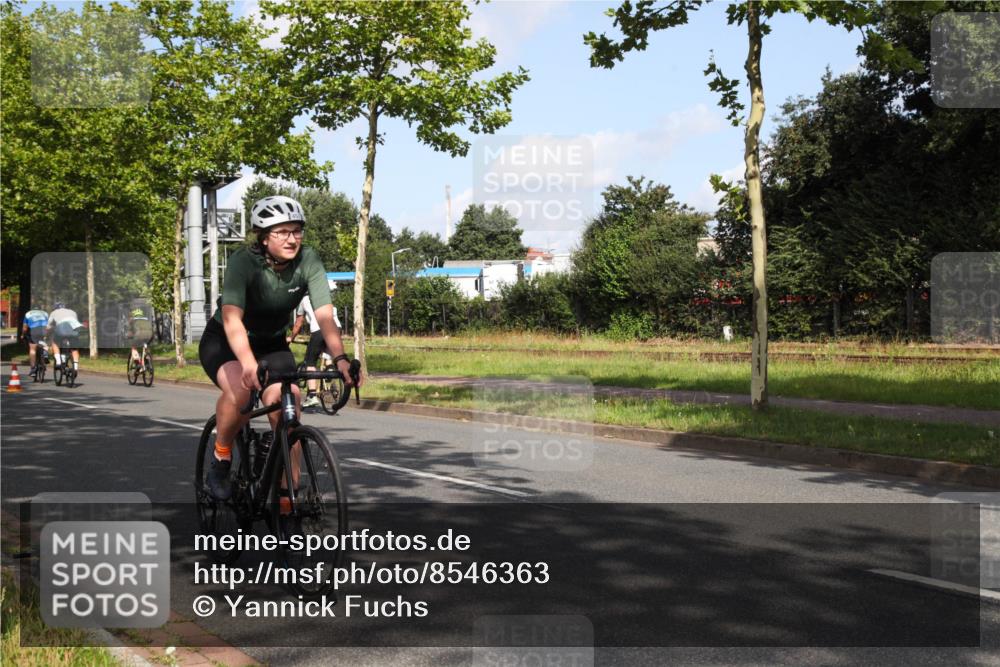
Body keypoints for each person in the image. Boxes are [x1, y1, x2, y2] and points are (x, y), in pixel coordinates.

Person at [198, 195, 357, 503]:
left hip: (271, 342)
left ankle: (287, 502)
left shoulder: (308, 260)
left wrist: (340, 358)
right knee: (241, 393)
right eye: (282, 232)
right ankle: (221, 457)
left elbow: (324, 313)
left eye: (297, 230)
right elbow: (232, 319)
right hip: (227, 340)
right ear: (263, 236)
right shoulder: (243, 262)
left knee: (289, 407)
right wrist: (246, 362)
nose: (292, 238)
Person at [288, 293, 342, 409]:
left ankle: (312, 395)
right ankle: (330, 368)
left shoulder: (304, 300)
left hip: (319, 329)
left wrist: (291, 338)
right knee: (328, 349)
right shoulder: (326, 296)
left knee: (310, 362)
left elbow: (298, 324)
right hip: (336, 327)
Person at [46, 302, 83, 373]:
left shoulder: (54, 312)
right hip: (74, 328)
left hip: (62, 327)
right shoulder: (73, 312)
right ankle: (75, 368)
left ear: (55, 308)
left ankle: (59, 362)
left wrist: (46, 335)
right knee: (74, 349)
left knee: (55, 343)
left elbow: (48, 326)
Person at [22, 304, 49, 377]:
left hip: (33, 330)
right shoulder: (45, 313)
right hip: (44, 330)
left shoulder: (28, 314)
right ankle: (45, 354)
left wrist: (23, 335)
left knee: (32, 349)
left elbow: (25, 328)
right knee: (44, 342)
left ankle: (33, 368)